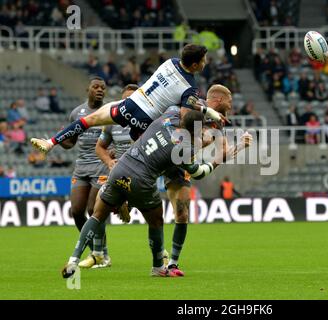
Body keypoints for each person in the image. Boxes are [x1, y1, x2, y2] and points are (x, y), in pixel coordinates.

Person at [61, 109, 252, 279]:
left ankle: (73, 260)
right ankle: (158, 267)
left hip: (120, 169)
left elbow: (182, 107)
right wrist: (219, 159)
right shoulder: (183, 149)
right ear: (195, 130)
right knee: (156, 221)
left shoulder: (167, 116)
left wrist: (206, 113)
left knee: (97, 215)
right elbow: (198, 173)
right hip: (142, 181)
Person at [31, 44, 226, 155]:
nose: (205, 62)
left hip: (129, 105)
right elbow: (185, 115)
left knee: (88, 121)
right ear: (194, 64)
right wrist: (208, 115)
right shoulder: (190, 86)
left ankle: (50, 143)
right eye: (203, 60)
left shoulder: (171, 62)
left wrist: (205, 109)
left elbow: (188, 99)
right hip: (144, 121)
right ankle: (122, 197)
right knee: (138, 160)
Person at [162, 84, 238, 276]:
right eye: (229, 100)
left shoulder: (219, 123)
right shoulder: (196, 105)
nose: (231, 104)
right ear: (219, 99)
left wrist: (238, 148)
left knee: (182, 213)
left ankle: (172, 263)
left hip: (183, 164)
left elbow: (222, 152)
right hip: (165, 151)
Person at [77, 84, 138, 269]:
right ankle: (99, 255)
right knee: (97, 207)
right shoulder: (113, 123)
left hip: (141, 173)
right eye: (127, 100)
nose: (130, 103)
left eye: (134, 99)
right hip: (117, 172)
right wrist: (109, 161)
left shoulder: (148, 121)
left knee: (153, 215)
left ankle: (162, 256)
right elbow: (99, 148)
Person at [61, 77, 111, 268]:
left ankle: (102, 254)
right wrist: (58, 139)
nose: (100, 90)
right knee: (76, 212)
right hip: (81, 167)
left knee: (93, 210)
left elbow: (115, 137)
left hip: (101, 165)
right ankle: (96, 252)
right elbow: (70, 142)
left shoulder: (109, 112)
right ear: (87, 89)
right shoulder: (77, 113)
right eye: (96, 87)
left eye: (103, 88)